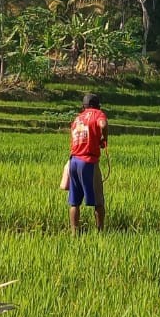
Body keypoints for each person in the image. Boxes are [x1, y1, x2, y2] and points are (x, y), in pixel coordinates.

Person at [68, 92, 108, 233]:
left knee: (74, 202)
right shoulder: (98, 114)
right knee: (99, 202)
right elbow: (102, 125)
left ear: (83, 106)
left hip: (73, 161)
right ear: (97, 106)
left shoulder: (77, 119)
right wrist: (103, 138)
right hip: (88, 162)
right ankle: (100, 232)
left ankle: (74, 233)